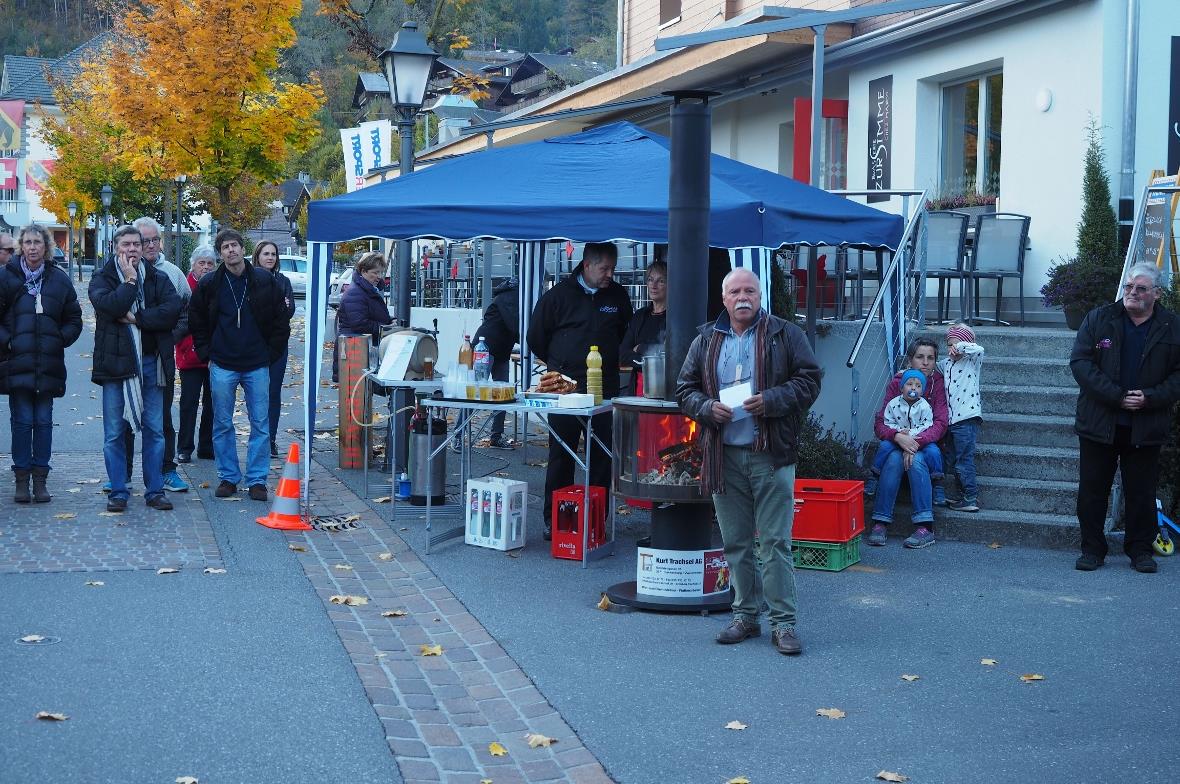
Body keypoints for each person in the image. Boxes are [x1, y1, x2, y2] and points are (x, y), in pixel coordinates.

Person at [676, 268, 822, 656]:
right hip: (724, 456)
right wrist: (707, 408)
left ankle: (784, 624)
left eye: (750, 291)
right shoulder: (707, 338)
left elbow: (810, 380)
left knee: (775, 543)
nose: (743, 297)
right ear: (723, 298)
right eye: (735, 291)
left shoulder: (784, 334)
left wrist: (773, 400)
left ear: (761, 296)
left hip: (770, 453)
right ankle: (745, 616)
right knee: (736, 543)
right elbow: (684, 389)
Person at [1070, 263, 1180, 574]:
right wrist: (1117, 396)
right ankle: (1092, 550)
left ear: (1157, 294)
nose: (1132, 292)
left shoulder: (1173, 326)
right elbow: (1080, 363)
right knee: (1092, 490)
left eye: (1141, 288)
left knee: (1142, 492)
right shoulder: (1099, 318)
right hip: (1099, 421)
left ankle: (1140, 551)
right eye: (1129, 286)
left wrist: (1150, 397)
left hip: (1146, 425)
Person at [526, 242, 632, 540]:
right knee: (562, 452)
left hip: (604, 387)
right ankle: (555, 519)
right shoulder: (558, 296)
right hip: (565, 389)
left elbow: (626, 331)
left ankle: (597, 518)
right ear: (586, 265)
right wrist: (559, 364)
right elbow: (535, 337)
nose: (610, 274)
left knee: (602, 454)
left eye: (613, 268)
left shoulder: (617, 295)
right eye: (604, 269)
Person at [189, 228, 290, 502]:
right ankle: (228, 477)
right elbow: (196, 319)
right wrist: (206, 353)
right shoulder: (210, 284)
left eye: (234, 245)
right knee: (222, 422)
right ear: (220, 253)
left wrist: (271, 353)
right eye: (225, 247)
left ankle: (257, 480)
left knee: (260, 423)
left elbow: (282, 320)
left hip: (257, 362)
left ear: (242, 248)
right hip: (222, 362)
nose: (231, 250)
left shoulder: (263, 280)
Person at [89, 224, 181, 513]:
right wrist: (129, 282)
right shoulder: (102, 278)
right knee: (115, 432)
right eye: (126, 245)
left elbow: (172, 310)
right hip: (116, 365)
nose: (132, 250)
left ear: (143, 248)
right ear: (115, 248)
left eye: (136, 245)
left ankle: (155, 491)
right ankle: (119, 490)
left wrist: (138, 319)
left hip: (152, 363)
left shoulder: (158, 278)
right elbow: (110, 307)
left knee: (155, 430)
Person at [0, 224, 82, 502]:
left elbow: (74, 318)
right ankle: (21, 479)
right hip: (17, 362)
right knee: (22, 422)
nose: (33, 247)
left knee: (43, 421)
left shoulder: (58, 280)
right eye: (28, 242)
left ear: (46, 247)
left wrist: (59, 339)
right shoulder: (6, 277)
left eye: (38, 242)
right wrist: (8, 340)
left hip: (48, 363)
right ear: (21, 246)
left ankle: (41, 479)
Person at [866, 339, 949, 548]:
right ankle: (880, 522)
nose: (926, 362)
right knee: (893, 459)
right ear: (910, 360)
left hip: (923, 443)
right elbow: (881, 422)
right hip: (898, 441)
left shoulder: (938, 383)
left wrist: (914, 443)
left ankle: (925, 527)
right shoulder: (898, 382)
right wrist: (897, 437)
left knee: (917, 461)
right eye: (920, 357)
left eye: (931, 358)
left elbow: (940, 423)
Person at [134, 217, 190, 492]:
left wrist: (170, 336)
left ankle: (167, 469)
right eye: (145, 241)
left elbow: (186, 312)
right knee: (125, 418)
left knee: (163, 418)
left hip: (161, 358)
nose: (151, 245)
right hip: (130, 356)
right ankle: (121, 474)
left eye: (155, 239)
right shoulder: (124, 272)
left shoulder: (173, 273)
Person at [173, 245, 217, 464]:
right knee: (188, 404)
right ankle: (184, 447)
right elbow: (178, 321)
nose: (206, 267)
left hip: (214, 357)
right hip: (189, 356)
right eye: (202, 263)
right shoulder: (184, 287)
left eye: (210, 263)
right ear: (193, 265)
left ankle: (206, 446)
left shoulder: (217, 287)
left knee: (212, 404)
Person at [252, 241, 296, 457]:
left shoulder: (283, 281)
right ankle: (257, 436)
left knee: (273, 393)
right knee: (255, 392)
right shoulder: (249, 279)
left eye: (273, 254)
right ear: (257, 256)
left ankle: (270, 438)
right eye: (266, 253)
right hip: (254, 344)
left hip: (277, 345)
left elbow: (288, 311)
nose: (270, 257)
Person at [937, 323, 985, 512]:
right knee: (954, 459)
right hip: (951, 421)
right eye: (950, 345)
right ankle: (961, 495)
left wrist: (962, 346)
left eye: (957, 344)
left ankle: (971, 497)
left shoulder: (972, 361)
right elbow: (930, 367)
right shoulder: (946, 364)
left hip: (967, 418)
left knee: (964, 459)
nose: (953, 349)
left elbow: (979, 349)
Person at [870, 369, 944, 490]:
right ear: (901, 388)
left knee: (934, 451)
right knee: (884, 446)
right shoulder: (893, 404)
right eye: (909, 384)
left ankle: (937, 484)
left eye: (918, 386)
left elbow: (927, 423)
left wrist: (911, 435)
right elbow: (888, 421)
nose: (913, 388)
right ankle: (874, 476)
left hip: (918, 439)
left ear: (922, 390)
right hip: (898, 439)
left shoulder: (924, 406)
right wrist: (899, 431)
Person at [473, 277, 519, 449]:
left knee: (503, 394)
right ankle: (457, 434)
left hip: (501, 350)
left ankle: (496, 436)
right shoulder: (511, 296)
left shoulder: (514, 294)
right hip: (484, 348)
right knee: (473, 393)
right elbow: (517, 326)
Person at [620, 260, 667, 396]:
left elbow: (669, 355)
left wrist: (640, 348)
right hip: (637, 390)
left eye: (661, 281)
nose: (654, 285)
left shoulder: (675, 318)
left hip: (664, 390)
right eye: (650, 280)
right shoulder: (640, 316)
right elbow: (623, 355)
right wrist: (651, 359)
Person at [337, 251, 392, 345]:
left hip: (360, 346)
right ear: (363, 271)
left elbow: (372, 315)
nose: (379, 276)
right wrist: (386, 327)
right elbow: (360, 325)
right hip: (355, 349)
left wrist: (389, 320)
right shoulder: (355, 293)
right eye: (375, 272)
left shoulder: (366, 290)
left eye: (381, 272)